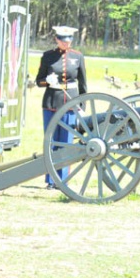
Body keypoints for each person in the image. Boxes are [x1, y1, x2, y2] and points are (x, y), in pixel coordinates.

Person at [35, 25, 88, 189]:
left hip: (70, 104)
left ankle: (63, 180)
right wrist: (47, 81)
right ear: (56, 39)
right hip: (51, 103)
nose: (67, 42)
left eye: (69, 39)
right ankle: (51, 180)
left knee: (66, 142)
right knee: (51, 142)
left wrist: (82, 106)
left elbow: (83, 84)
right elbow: (38, 81)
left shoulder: (77, 57)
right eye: (63, 40)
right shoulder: (48, 56)